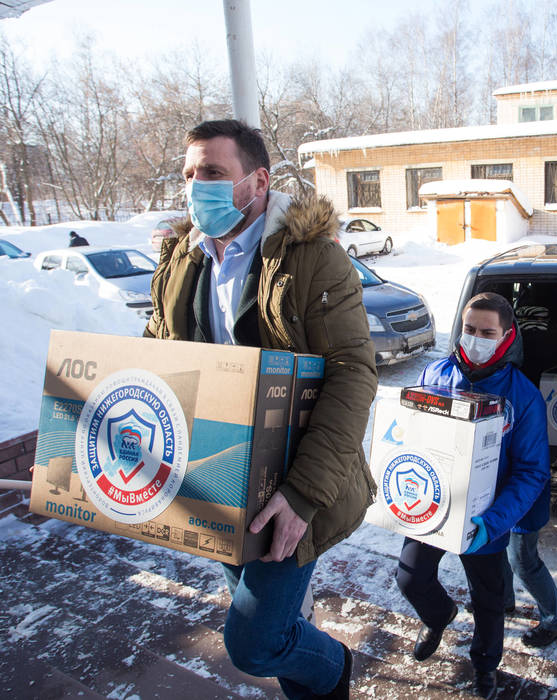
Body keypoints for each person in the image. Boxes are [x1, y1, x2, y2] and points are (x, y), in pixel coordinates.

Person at [144, 119, 377, 699]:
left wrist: (301, 496)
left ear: (258, 181)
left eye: (214, 173)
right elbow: (155, 348)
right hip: (216, 480)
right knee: (275, 631)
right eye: (190, 174)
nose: (197, 186)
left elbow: (352, 373)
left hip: (288, 482)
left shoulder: (311, 259)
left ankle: (334, 670)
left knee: (254, 641)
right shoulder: (182, 259)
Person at [395, 292, 557, 699]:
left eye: (487, 332)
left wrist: (493, 524)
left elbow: (531, 471)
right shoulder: (435, 375)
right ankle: (439, 616)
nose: (475, 338)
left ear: (506, 336)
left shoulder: (522, 396)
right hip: (433, 506)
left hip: (485, 519)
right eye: (469, 329)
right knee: (410, 577)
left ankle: (485, 665)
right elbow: (411, 438)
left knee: (488, 600)